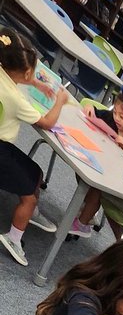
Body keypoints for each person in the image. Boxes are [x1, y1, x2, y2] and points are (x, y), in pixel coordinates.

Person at [0, 29, 69, 266]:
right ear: (28, 71)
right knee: (28, 198)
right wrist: (59, 101)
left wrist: (38, 85)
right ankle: (13, 238)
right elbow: (48, 122)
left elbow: (21, 75)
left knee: (36, 173)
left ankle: (32, 213)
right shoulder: (17, 100)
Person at [70, 88, 123, 237]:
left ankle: (82, 224)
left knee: (96, 190)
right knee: (83, 175)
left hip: (113, 177)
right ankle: (88, 213)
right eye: (115, 112)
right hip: (97, 161)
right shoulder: (110, 118)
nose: (116, 118)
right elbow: (96, 112)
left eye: (122, 116)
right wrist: (90, 109)